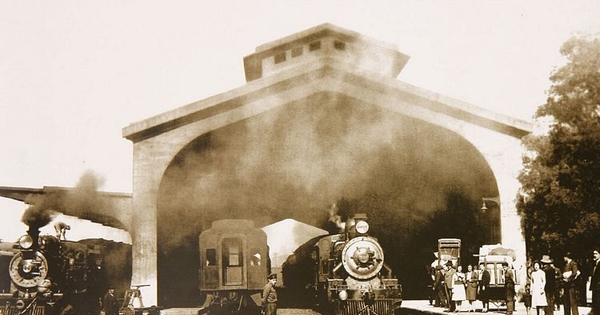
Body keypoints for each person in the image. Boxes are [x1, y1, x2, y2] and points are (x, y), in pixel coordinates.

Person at [589, 249, 600, 315]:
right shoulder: (595, 264)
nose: (594, 255)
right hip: (595, 288)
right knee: (595, 305)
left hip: (598, 288)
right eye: (593, 254)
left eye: (596, 254)